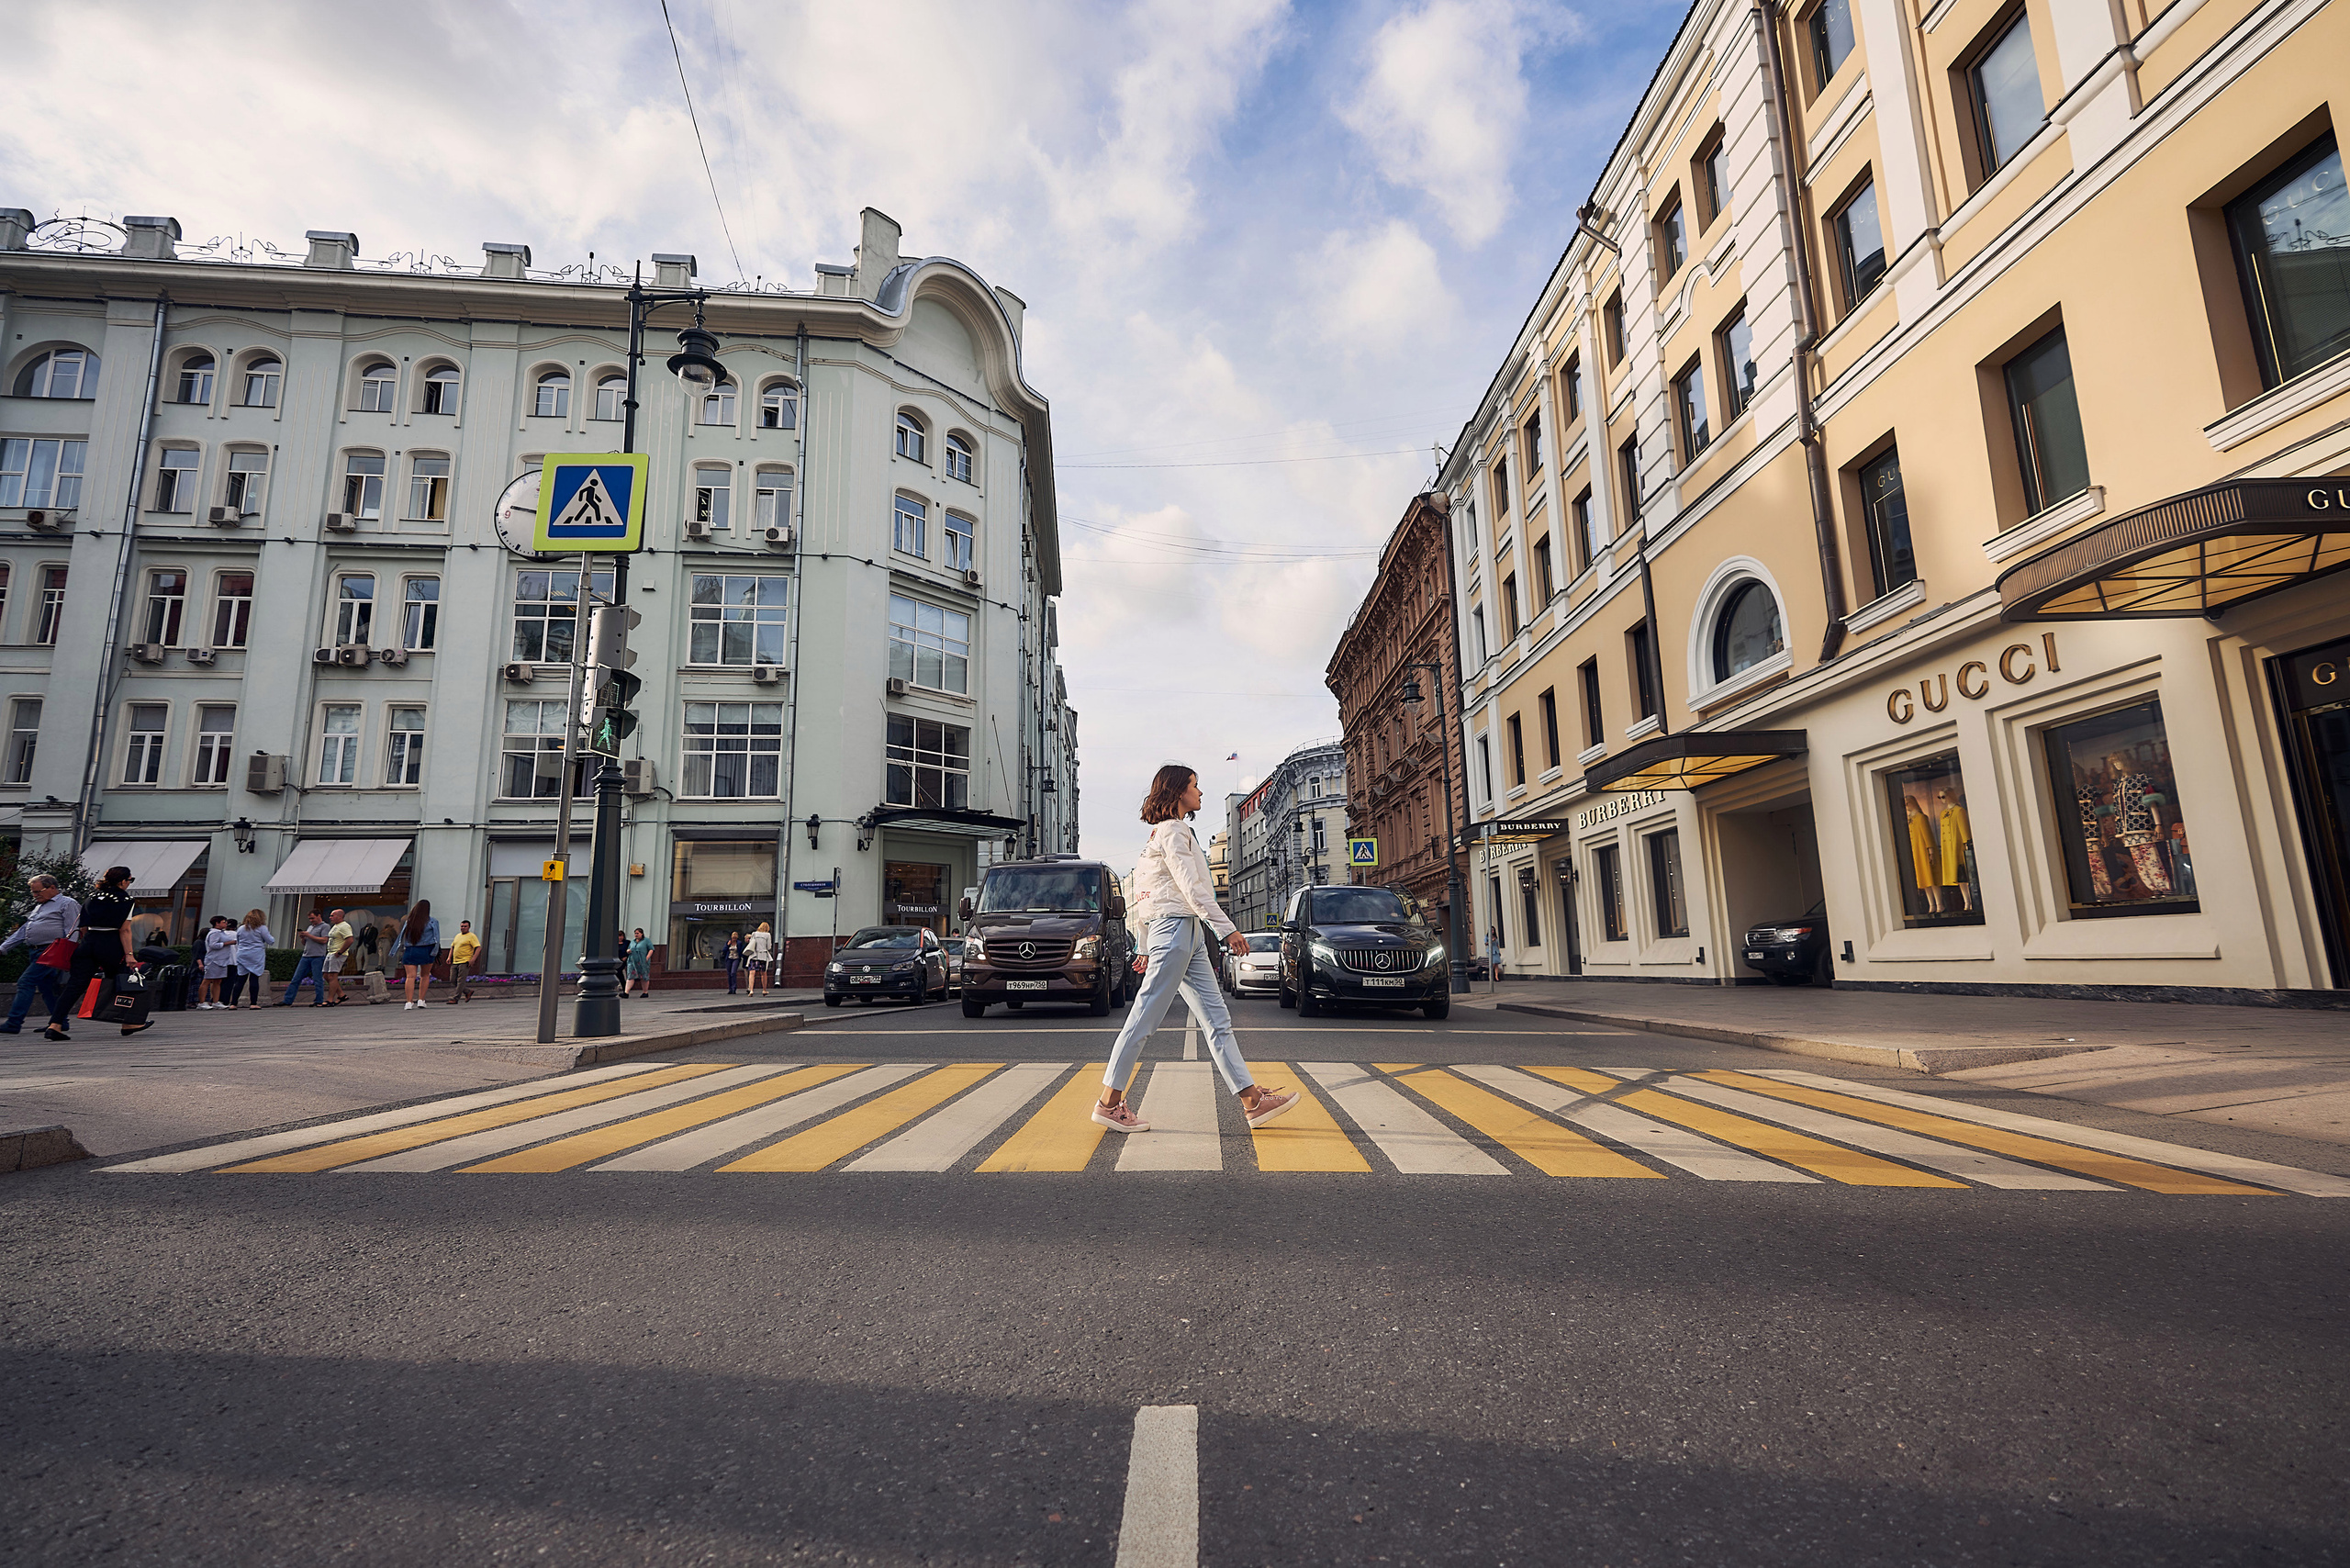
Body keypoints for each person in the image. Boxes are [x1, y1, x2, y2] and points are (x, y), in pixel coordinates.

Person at [1095, 764, 1295, 1134]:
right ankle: (1109, 1103)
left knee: (1217, 1019)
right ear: (1177, 792)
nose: (1200, 793)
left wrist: (1142, 945)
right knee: (1144, 1018)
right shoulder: (1173, 831)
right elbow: (1191, 887)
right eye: (1194, 786)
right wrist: (1227, 930)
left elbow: (1145, 894)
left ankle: (1252, 1100)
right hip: (1176, 929)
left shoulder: (1164, 834)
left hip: (1184, 931)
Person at [45, 864, 151, 1039]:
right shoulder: (126, 900)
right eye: (130, 880)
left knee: (75, 985)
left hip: (89, 943)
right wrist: (129, 954)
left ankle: (55, 1024)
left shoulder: (91, 897)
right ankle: (129, 1022)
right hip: (111, 944)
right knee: (124, 981)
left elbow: (83, 927)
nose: (129, 883)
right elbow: (124, 930)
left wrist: (88, 942)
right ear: (123, 881)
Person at [1, 874, 81, 1035]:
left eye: (38, 891)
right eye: (33, 892)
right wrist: (3, 947)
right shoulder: (40, 906)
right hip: (36, 951)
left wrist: (64, 954)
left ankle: (14, 1023)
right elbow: (24, 930)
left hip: (50, 952)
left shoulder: (67, 903)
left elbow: (72, 930)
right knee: (47, 987)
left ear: (52, 888)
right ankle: (59, 1022)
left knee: (26, 982)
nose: (35, 895)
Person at [282, 910, 330, 1007]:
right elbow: (305, 943)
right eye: (310, 919)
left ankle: (319, 1000)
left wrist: (309, 935)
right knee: (296, 978)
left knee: (317, 979)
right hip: (306, 956)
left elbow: (324, 940)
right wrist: (303, 937)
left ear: (319, 916)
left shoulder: (325, 926)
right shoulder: (310, 927)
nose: (311, 920)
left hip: (318, 956)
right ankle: (287, 1000)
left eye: (313, 918)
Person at [398, 901, 440, 1010]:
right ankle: (421, 1000)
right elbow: (436, 938)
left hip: (411, 949)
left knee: (410, 976)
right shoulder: (432, 921)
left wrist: (397, 950)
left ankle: (408, 1002)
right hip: (426, 950)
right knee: (425, 976)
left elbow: (401, 937)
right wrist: (435, 951)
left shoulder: (409, 921)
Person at [230, 910, 273, 1009]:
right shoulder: (262, 928)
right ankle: (253, 1003)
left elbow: (238, 941)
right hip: (256, 955)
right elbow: (270, 941)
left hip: (242, 954)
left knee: (240, 979)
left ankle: (233, 1003)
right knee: (254, 978)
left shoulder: (241, 928)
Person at [199, 914, 236, 1009]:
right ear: (217, 923)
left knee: (218, 981)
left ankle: (216, 1001)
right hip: (213, 960)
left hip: (222, 960)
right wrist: (229, 943)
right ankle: (202, 1002)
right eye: (224, 922)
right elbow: (213, 945)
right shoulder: (214, 933)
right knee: (207, 980)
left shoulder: (222, 932)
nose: (226, 923)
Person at [322, 908, 354, 1004]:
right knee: (326, 975)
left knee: (332, 976)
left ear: (340, 916)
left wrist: (340, 952)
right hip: (330, 952)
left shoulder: (344, 926)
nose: (330, 917)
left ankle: (330, 999)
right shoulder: (336, 926)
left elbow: (350, 940)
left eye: (333, 915)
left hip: (337, 954)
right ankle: (341, 995)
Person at [447, 919, 481, 1004]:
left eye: (465, 926)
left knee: (461, 980)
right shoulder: (457, 936)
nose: (463, 928)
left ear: (469, 927)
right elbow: (453, 947)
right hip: (455, 961)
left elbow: (478, 948)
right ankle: (467, 991)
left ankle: (455, 998)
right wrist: (449, 957)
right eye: (462, 926)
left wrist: (473, 959)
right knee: (452, 980)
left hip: (465, 961)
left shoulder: (472, 936)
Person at [745, 922, 774, 996]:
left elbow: (751, 944)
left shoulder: (754, 934)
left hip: (754, 955)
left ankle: (751, 990)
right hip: (763, 956)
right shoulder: (768, 935)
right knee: (763, 973)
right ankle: (764, 990)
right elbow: (769, 947)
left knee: (752, 973)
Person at [624, 928, 653, 997]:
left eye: (638, 933)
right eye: (635, 933)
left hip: (642, 961)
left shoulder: (646, 941)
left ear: (642, 934)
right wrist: (628, 951)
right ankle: (626, 992)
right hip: (632, 961)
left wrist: (647, 957)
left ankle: (645, 992)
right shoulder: (632, 942)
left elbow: (651, 949)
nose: (636, 935)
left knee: (644, 976)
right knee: (630, 976)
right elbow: (629, 948)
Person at [722, 931, 743, 995]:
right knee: (729, 974)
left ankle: (734, 988)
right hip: (729, 958)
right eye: (733, 938)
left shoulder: (739, 943)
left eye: (735, 938)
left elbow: (741, 950)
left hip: (736, 958)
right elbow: (724, 950)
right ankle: (730, 988)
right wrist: (728, 945)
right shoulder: (728, 942)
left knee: (733, 973)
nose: (734, 939)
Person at [1485, 926, 1503, 991]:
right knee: (1493, 964)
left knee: (1497, 964)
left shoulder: (1496, 937)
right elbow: (1486, 943)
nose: (1493, 931)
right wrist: (1491, 941)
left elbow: (1497, 944)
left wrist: (1499, 951)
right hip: (1491, 951)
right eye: (1491, 930)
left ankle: (1496, 977)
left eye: (1493, 930)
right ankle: (1490, 975)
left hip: (1496, 950)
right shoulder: (1487, 937)